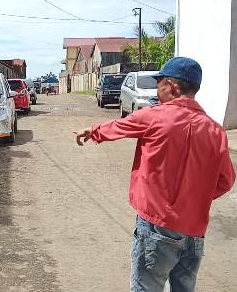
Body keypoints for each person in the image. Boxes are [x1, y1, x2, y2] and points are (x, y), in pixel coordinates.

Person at [74, 57, 235, 292]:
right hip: (194, 232)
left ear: (171, 86)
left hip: (157, 226)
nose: (156, 90)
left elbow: (120, 126)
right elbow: (226, 180)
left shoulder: (155, 116)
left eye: (159, 84)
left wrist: (93, 130)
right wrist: (194, 198)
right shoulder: (215, 130)